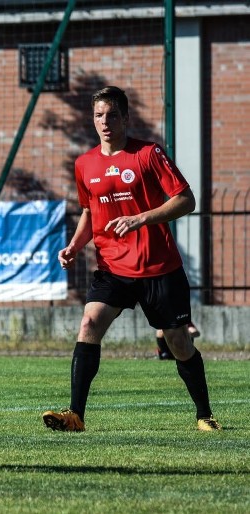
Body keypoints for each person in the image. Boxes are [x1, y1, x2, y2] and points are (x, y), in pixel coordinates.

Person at [42, 86, 221, 432]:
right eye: (98, 115)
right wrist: (75, 246)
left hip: (159, 267)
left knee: (179, 343)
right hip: (112, 268)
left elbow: (186, 201)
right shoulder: (85, 164)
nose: (104, 122)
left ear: (126, 117)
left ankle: (204, 415)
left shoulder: (149, 154)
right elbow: (90, 211)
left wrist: (140, 218)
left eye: (111, 115)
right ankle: (75, 415)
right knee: (89, 325)